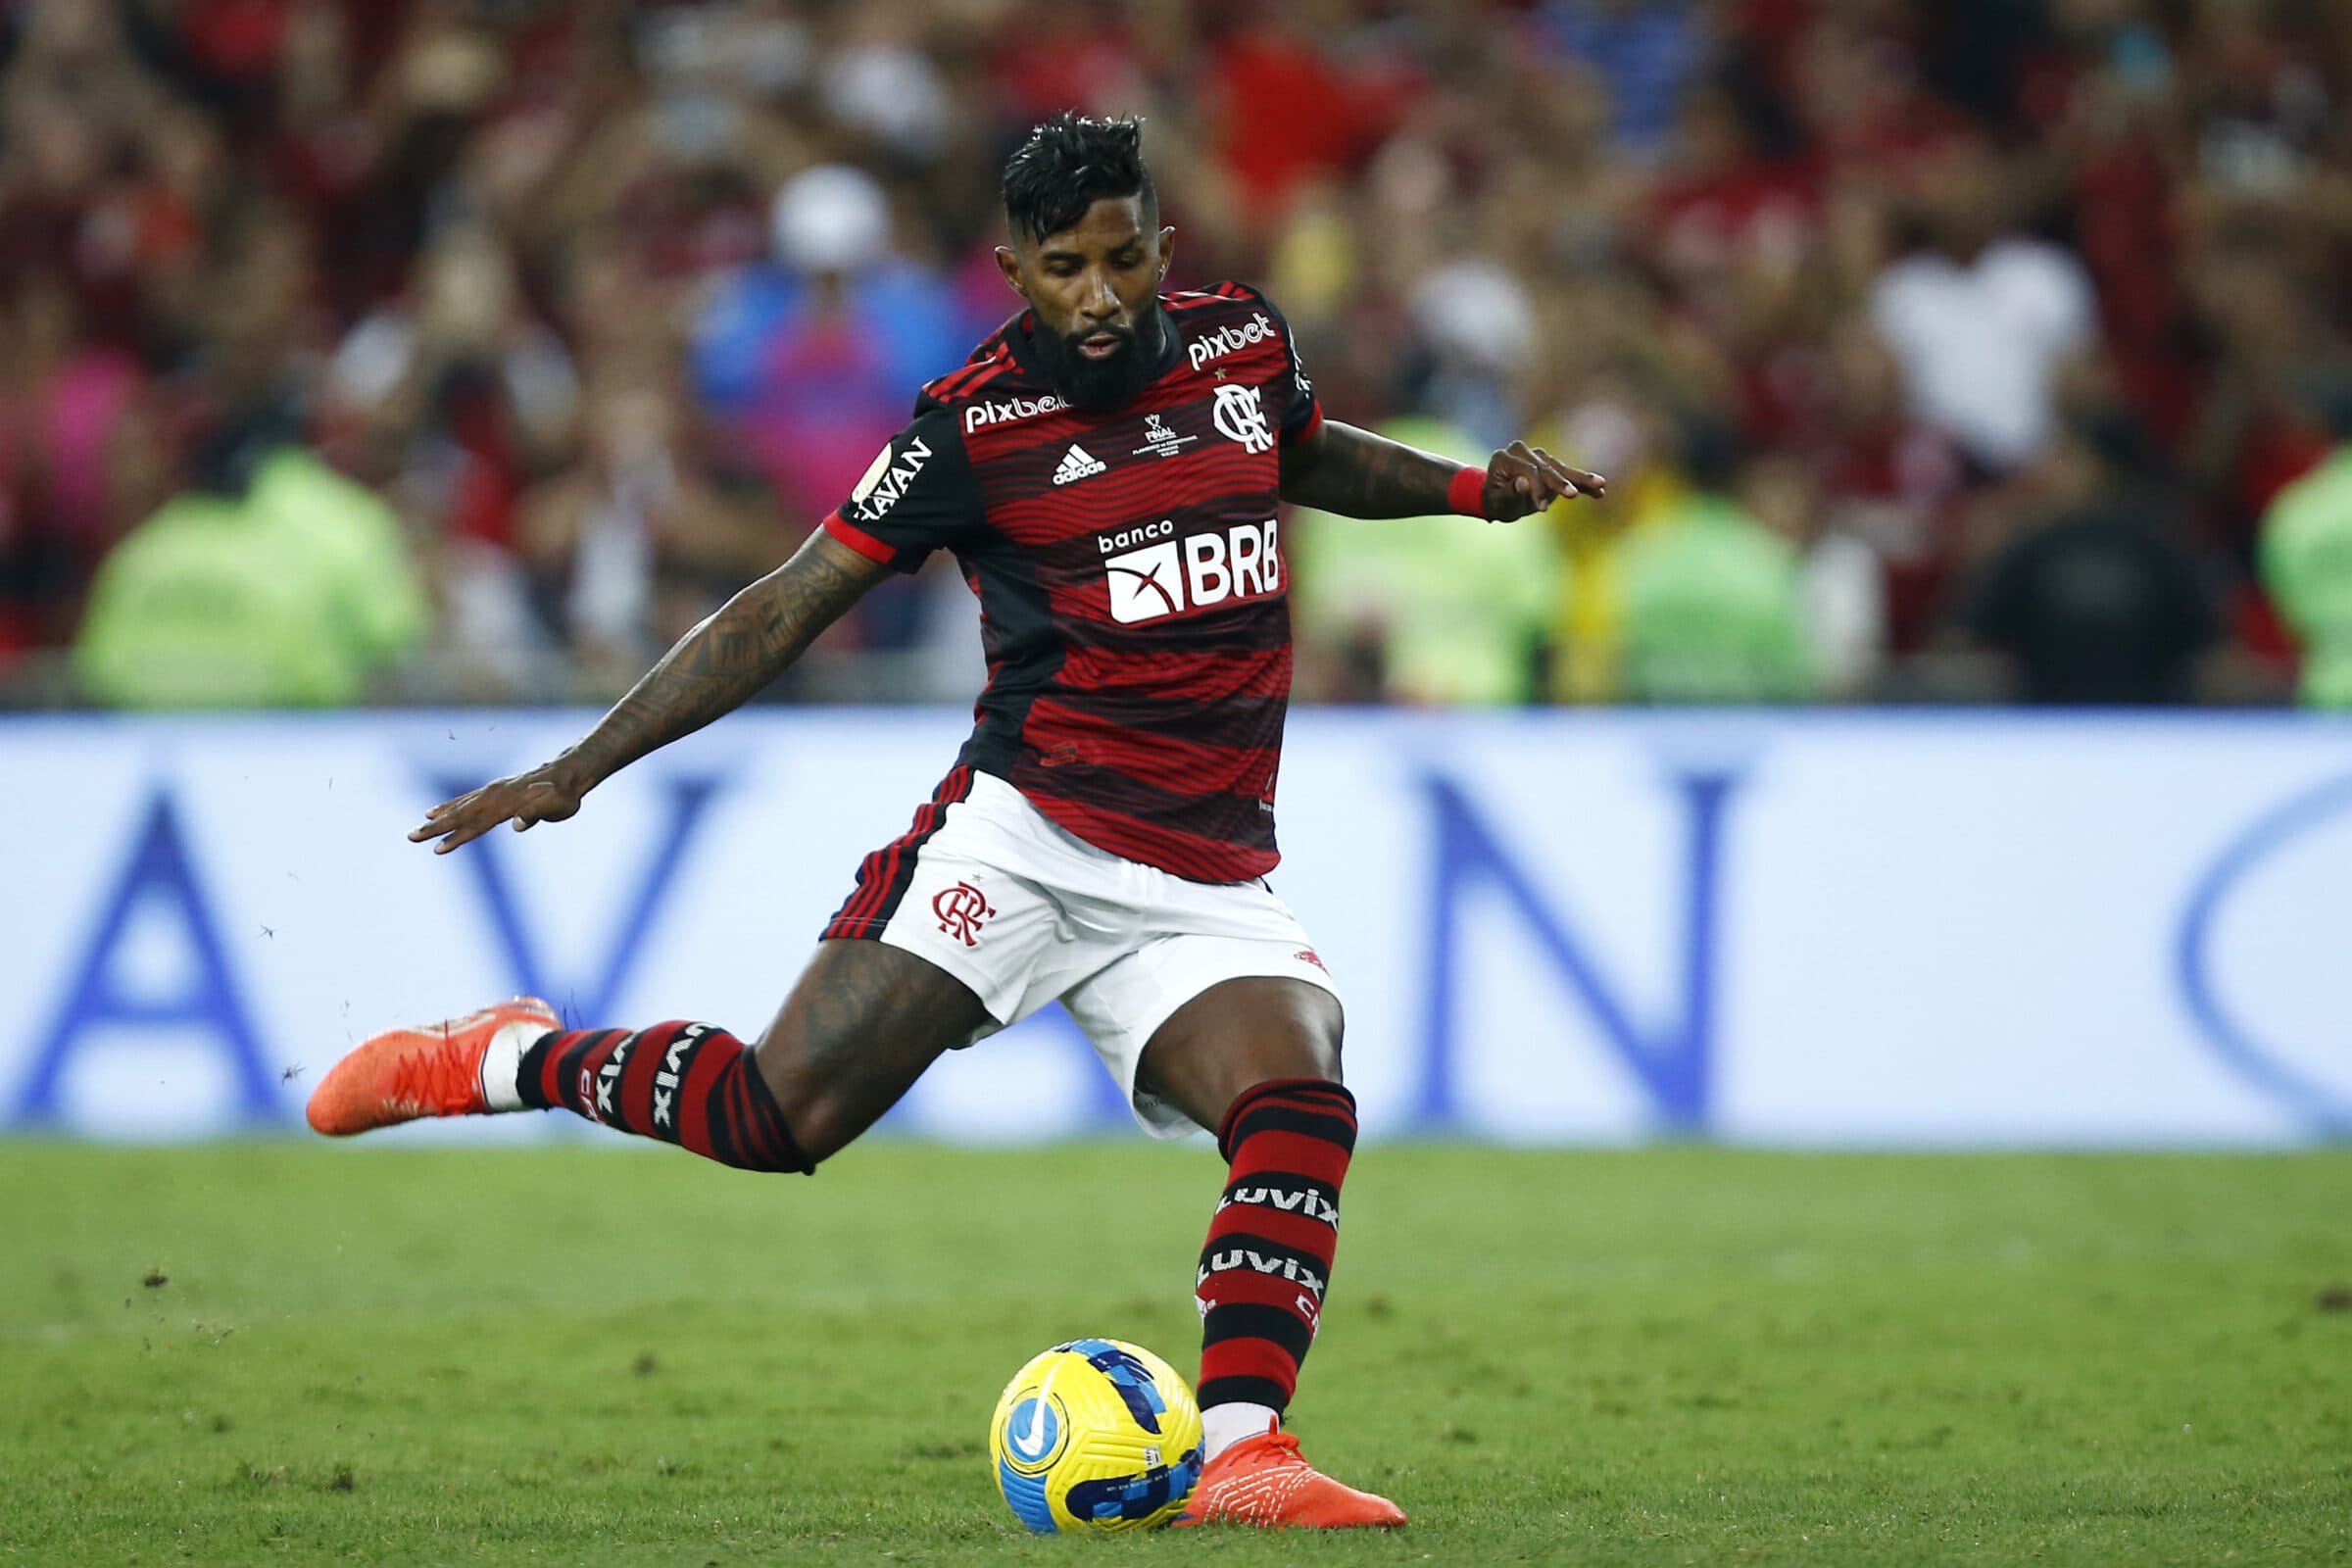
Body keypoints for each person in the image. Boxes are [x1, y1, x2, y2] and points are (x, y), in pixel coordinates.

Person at [306, 114, 1602, 1531]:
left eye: (1122, 259)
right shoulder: (971, 428)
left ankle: (1245, 1455)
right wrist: (581, 764)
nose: (1099, 295)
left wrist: (1473, 488)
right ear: (1014, 271)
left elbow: (1303, 453)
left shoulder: (1241, 344)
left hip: (1204, 871)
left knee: (1299, 1101)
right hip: (1025, 837)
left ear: (1162, 244)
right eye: (1064, 269)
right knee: (773, 1116)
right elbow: (786, 604)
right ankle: (503, 1059)